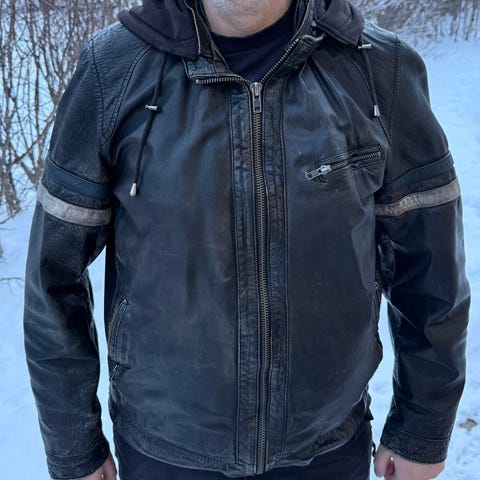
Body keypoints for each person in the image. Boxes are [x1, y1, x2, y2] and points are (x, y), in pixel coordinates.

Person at [23, 0, 470, 479]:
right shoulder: (113, 70)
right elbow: (53, 277)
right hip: (164, 454)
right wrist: (74, 447)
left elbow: (431, 265)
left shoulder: (379, 68)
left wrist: (421, 429)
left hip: (327, 450)